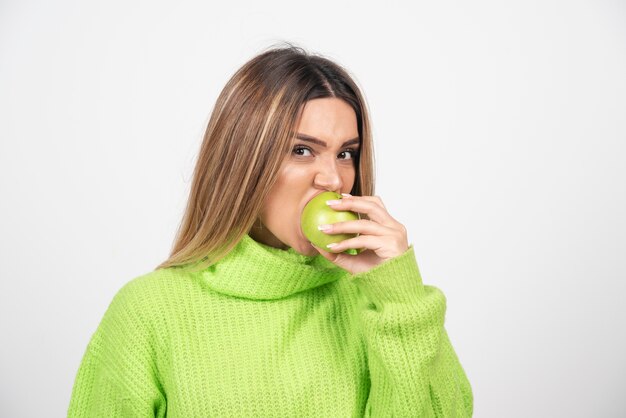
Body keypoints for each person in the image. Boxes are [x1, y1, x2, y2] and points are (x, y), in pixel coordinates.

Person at [67, 44, 474, 417]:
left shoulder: (383, 306)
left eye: (346, 153)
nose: (332, 178)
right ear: (244, 162)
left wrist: (400, 298)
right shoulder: (149, 311)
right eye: (301, 150)